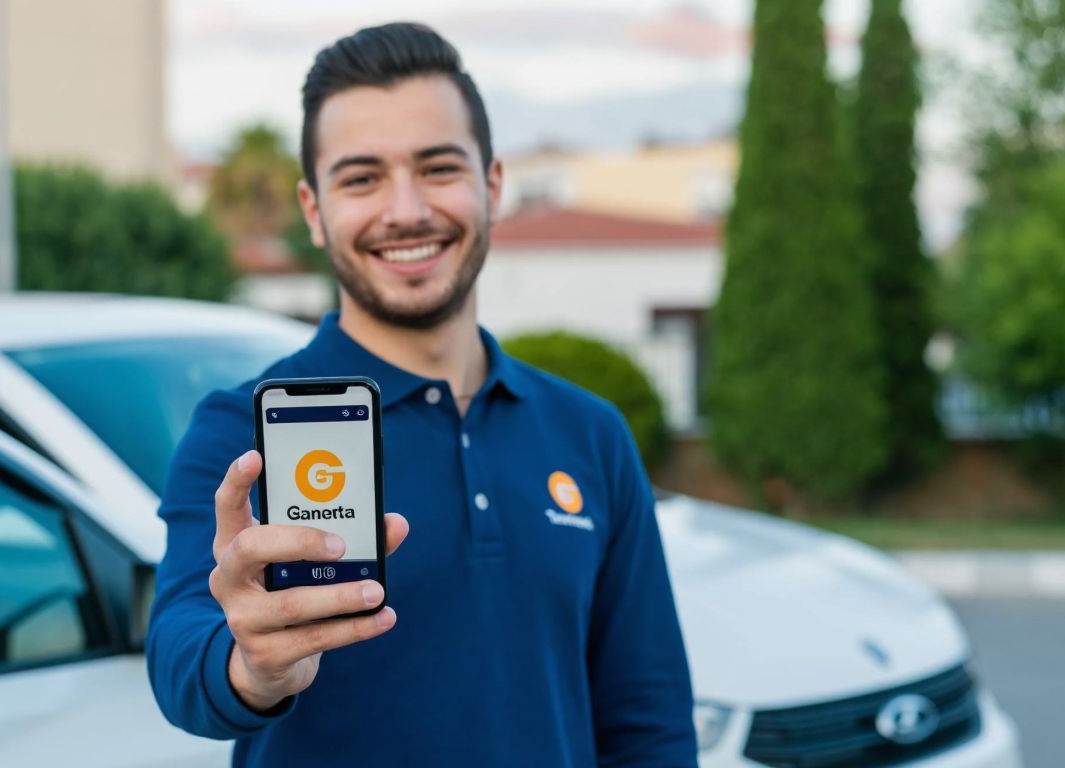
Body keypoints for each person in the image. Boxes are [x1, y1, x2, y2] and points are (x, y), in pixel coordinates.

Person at [147, 22, 697, 767]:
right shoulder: (241, 432)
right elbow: (182, 653)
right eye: (362, 178)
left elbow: (648, 722)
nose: (405, 210)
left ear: (492, 185)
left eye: (437, 168)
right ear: (314, 210)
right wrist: (251, 665)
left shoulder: (589, 432)